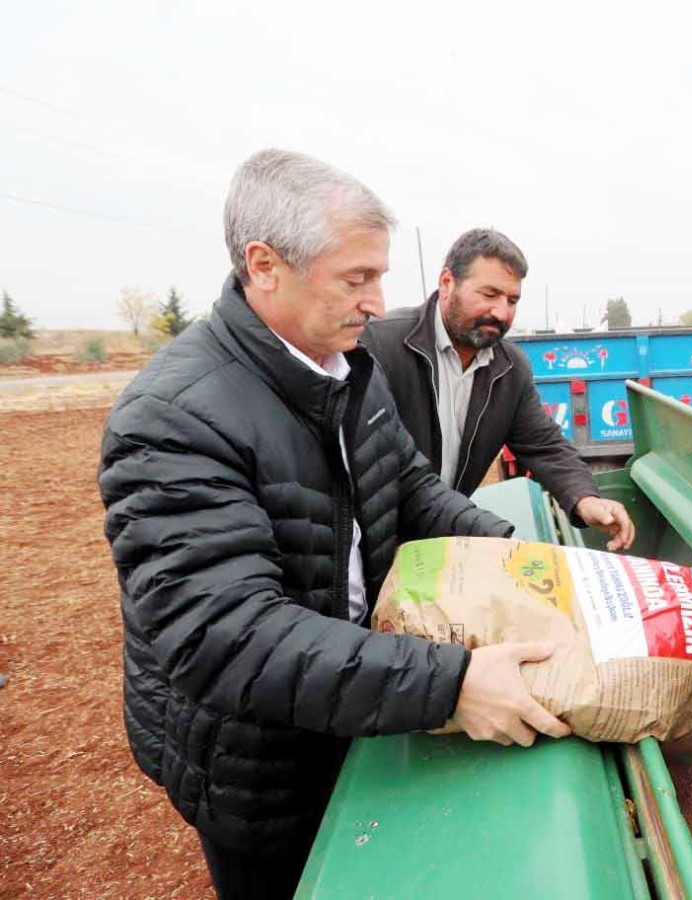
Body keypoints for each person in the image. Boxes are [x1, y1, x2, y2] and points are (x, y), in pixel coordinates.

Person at [98, 150, 570, 900]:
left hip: (352, 697)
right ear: (265, 266)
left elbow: (409, 486)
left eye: (379, 276)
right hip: (257, 760)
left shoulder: (344, 367)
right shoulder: (173, 418)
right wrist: (451, 685)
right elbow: (229, 636)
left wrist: (515, 554)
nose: (378, 302)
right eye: (357, 278)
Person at [363, 228, 636, 550]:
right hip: (375, 544)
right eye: (489, 295)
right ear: (447, 283)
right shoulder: (382, 346)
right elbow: (382, 469)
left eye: (512, 300)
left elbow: (544, 444)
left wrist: (585, 499)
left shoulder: (509, 367)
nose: (502, 312)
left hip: (438, 540)